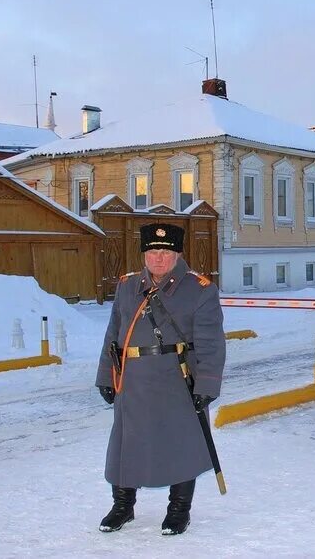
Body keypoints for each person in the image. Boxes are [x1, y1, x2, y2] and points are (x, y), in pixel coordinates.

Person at [95, 223, 226, 536]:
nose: (158, 258)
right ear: (144, 253)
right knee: (126, 445)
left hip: (177, 380)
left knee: (180, 445)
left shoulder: (200, 289)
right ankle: (123, 506)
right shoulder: (128, 286)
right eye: (152, 251)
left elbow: (211, 342)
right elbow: (113, 335)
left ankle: (179, 510)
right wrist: (105, 376)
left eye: (165, 252)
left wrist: (206, 385)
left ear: (177, 253)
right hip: (133, 381)